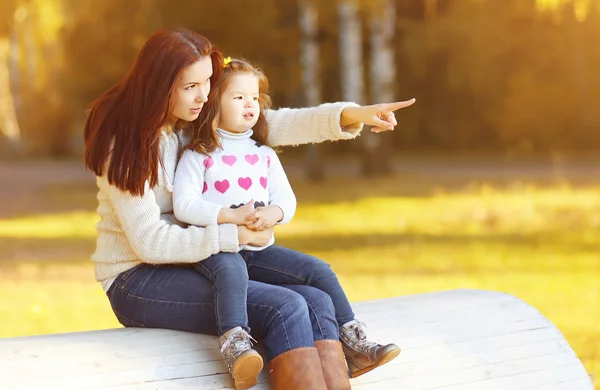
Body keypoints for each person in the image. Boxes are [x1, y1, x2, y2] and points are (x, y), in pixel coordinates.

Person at [83, 28, 415, 390]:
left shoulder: (189, 118)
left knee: (318, 299)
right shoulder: (126, 143)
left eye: (208, 82)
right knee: (284, 307)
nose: (204, 96)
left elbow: (268, 123)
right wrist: (233, 233)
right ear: (160, 86)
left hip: (196, 257)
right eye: (190, 86)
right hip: (138, 278)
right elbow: (149, 241)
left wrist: (353, 114)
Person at [172, 57, 402, 388]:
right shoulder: (198, 155)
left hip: (260, 250)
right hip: (219, 249)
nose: (249, 104)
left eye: (254, 97)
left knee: (318, 270)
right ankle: (236, 343)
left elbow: (287, 200)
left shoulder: (263, 153)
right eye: (238, 97)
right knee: (232, 271)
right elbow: (185, 206)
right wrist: (229, 216)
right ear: (212, 105)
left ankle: (353, 339)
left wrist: (273, 214)